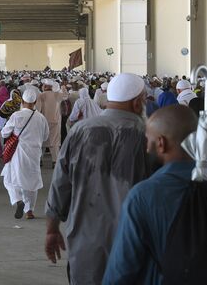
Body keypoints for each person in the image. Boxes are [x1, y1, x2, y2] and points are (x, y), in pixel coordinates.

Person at [103, 105, 207, 284]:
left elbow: (121, 272)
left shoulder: (142, 197)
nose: (146, 148)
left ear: (161, 143)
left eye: (148, 140)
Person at [45, 73, 151, 284]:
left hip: (86, 244)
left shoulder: (79, 131)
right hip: (134, 244)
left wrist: (51, 229)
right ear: (138, 103)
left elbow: (60, 185)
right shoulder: (149, 135)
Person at [1, 89, 49, 219]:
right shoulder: (41, 118)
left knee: (10, 178)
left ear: (22, 101)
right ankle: (29, 211)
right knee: (32, 182)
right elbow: (45, 137)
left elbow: (4, 133)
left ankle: (18, 200)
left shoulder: (17, 116)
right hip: (35, 154)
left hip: (18, 153)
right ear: (35, 102)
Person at [36, 80, 68, 167]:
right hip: (55, 122)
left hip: (43, 121)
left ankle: (39, 160)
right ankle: (55, 161)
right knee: (55, 142)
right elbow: (65, 96)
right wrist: (63, 87)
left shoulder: (41, 95)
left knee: (42, 141)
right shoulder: (57, 95)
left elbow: (37, 109)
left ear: (46, 86)